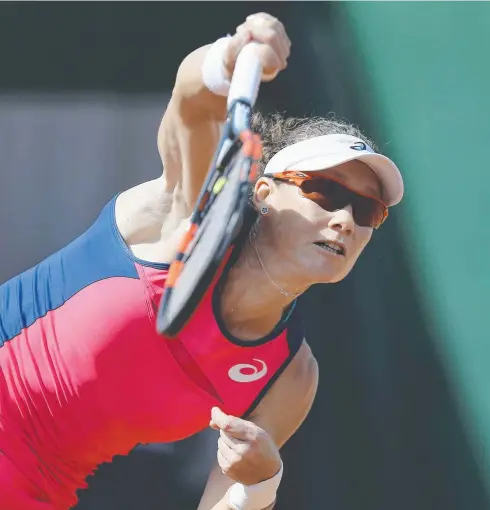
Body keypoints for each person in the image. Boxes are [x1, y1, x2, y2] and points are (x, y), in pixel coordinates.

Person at [0, 12, 403, 510]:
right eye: (324, 192)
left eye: (367, 210)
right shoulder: (183, 213)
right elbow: (190, 106)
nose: (344, 220)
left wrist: (258, 483)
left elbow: (224, 503)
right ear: (263, 192)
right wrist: (228, 56)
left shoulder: (291, 378)